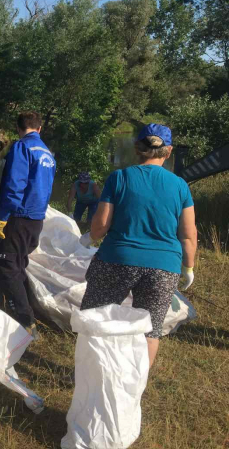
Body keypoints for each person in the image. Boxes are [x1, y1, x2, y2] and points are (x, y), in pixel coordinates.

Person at [79, 123, 197, 367]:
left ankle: (94, 374)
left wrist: (89, 238)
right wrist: (188, 267)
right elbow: (188, 235)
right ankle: (135, 387)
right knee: (150, 330)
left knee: (96, 319)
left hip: (117, 260)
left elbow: (100, 226)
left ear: (137, 148)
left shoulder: (119, 178)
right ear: (169, 151)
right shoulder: (180, 186)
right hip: (164, 267)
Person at [0, 111, 56, 338]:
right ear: (39, 129)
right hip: (37, 219)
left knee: (6, 267)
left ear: (19, 129)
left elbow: (14, 184)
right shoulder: (47, 154)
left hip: (19, 216)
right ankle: (23, 311)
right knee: (18, 264)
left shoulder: (21, 148)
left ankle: (25, 322)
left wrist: (3, 215)